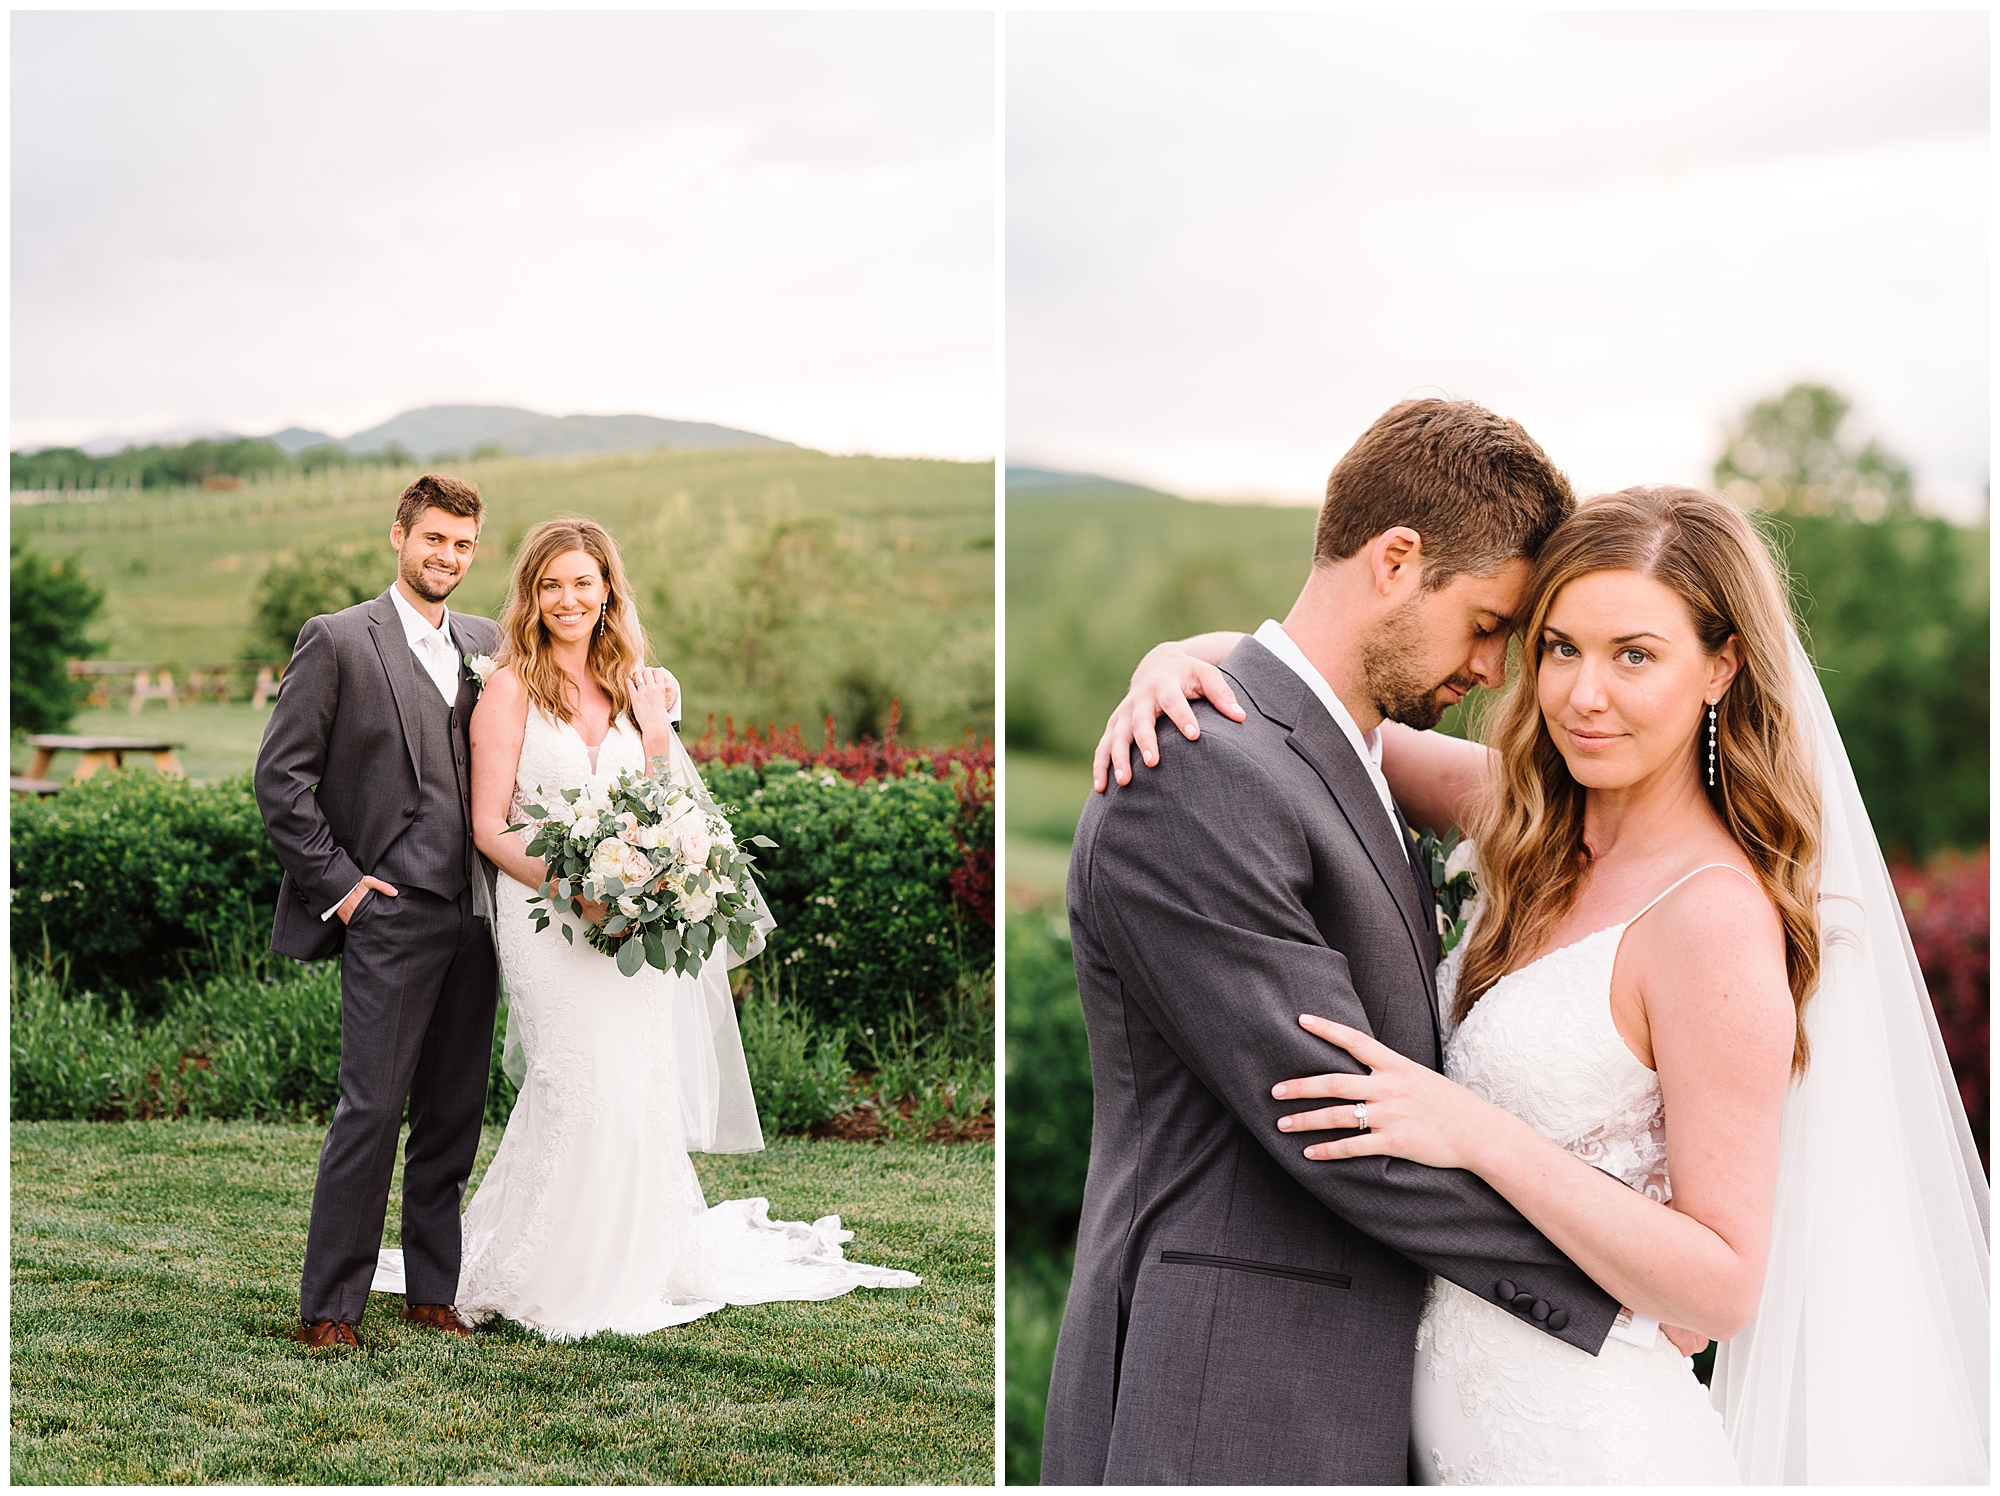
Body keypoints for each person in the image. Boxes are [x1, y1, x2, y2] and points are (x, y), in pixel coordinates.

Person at [1099, 485, 1989, 1483]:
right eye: (1560, 646)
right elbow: (1301, 704)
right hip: (1432, 1430)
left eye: (1633, 654)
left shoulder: (1711, 919)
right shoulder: (1515, 812)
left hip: (1588, 1442)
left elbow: (1721, 1284)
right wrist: (1169, 663)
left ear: (1720, 666)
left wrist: (1474, 1130)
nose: (1582, 694)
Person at [1041, 398, 1647, 1485]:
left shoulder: (1347, 752)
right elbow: (1338, 1119)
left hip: (1350, 1384)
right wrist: (1626, 1280)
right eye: (1485, 623)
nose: (1496, 668)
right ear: (1396, 559)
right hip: (1227, 1386)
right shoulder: (1198, 770)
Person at [448, 516, 918, 1338]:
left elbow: (668, 802)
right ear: (530, 594)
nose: (567, 599)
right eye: (550, 584)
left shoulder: (638, 682)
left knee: (634, 1080)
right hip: (546, 919)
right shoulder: (509, 687)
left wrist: (652, 834)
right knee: (573, 1080)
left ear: (607, 591)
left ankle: (633, 1254)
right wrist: (574, 887)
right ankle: (549, 1266)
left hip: (632, 920)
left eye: (582, 583)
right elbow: (490, 826)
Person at [256, 472, 503, 1347]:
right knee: (370, 1109)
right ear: (399, 536)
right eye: (434, 538)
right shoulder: (337, 640)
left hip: (478, 914)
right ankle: (329, 1307)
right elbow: (281, 781)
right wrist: (345, 889)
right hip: (389, 914)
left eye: (464, 544)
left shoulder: (490, 641)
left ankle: (433, 1290)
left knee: (454, 1110)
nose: (449, 556)